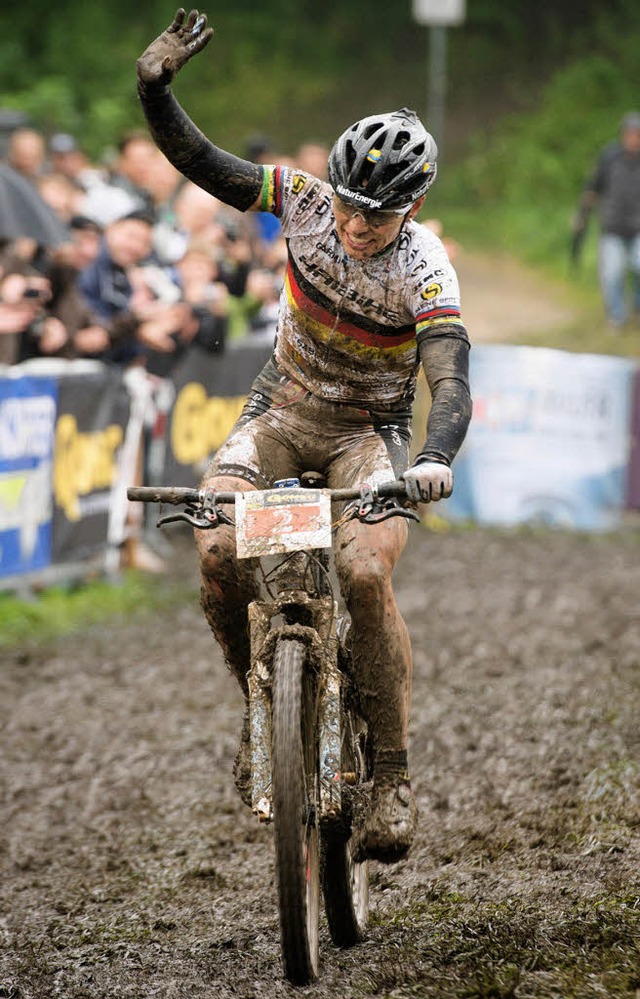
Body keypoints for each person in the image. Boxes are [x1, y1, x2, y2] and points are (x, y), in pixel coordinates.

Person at [136, 9, 472, 863]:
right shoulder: (304, 201)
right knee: (214, 552)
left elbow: (450, 375)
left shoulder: (426, 266)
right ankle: (266, 706)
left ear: (415, 205)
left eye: (379, 215)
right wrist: (155, 92)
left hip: (372, 430)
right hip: (280, 409)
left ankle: (390, 775)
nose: (358, 228)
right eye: (352, 208)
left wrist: (433, 458)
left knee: (363, 570)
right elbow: (204, 165)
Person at [572, 111, 640, 329]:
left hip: (638, 228)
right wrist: (582, 215)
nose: (634, 138)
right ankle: (617, 316)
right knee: (612, 274)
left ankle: (637, 307)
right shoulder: (609, 157)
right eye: (631, 134)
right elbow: (592, 188)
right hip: (612, 227)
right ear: (623, 135)